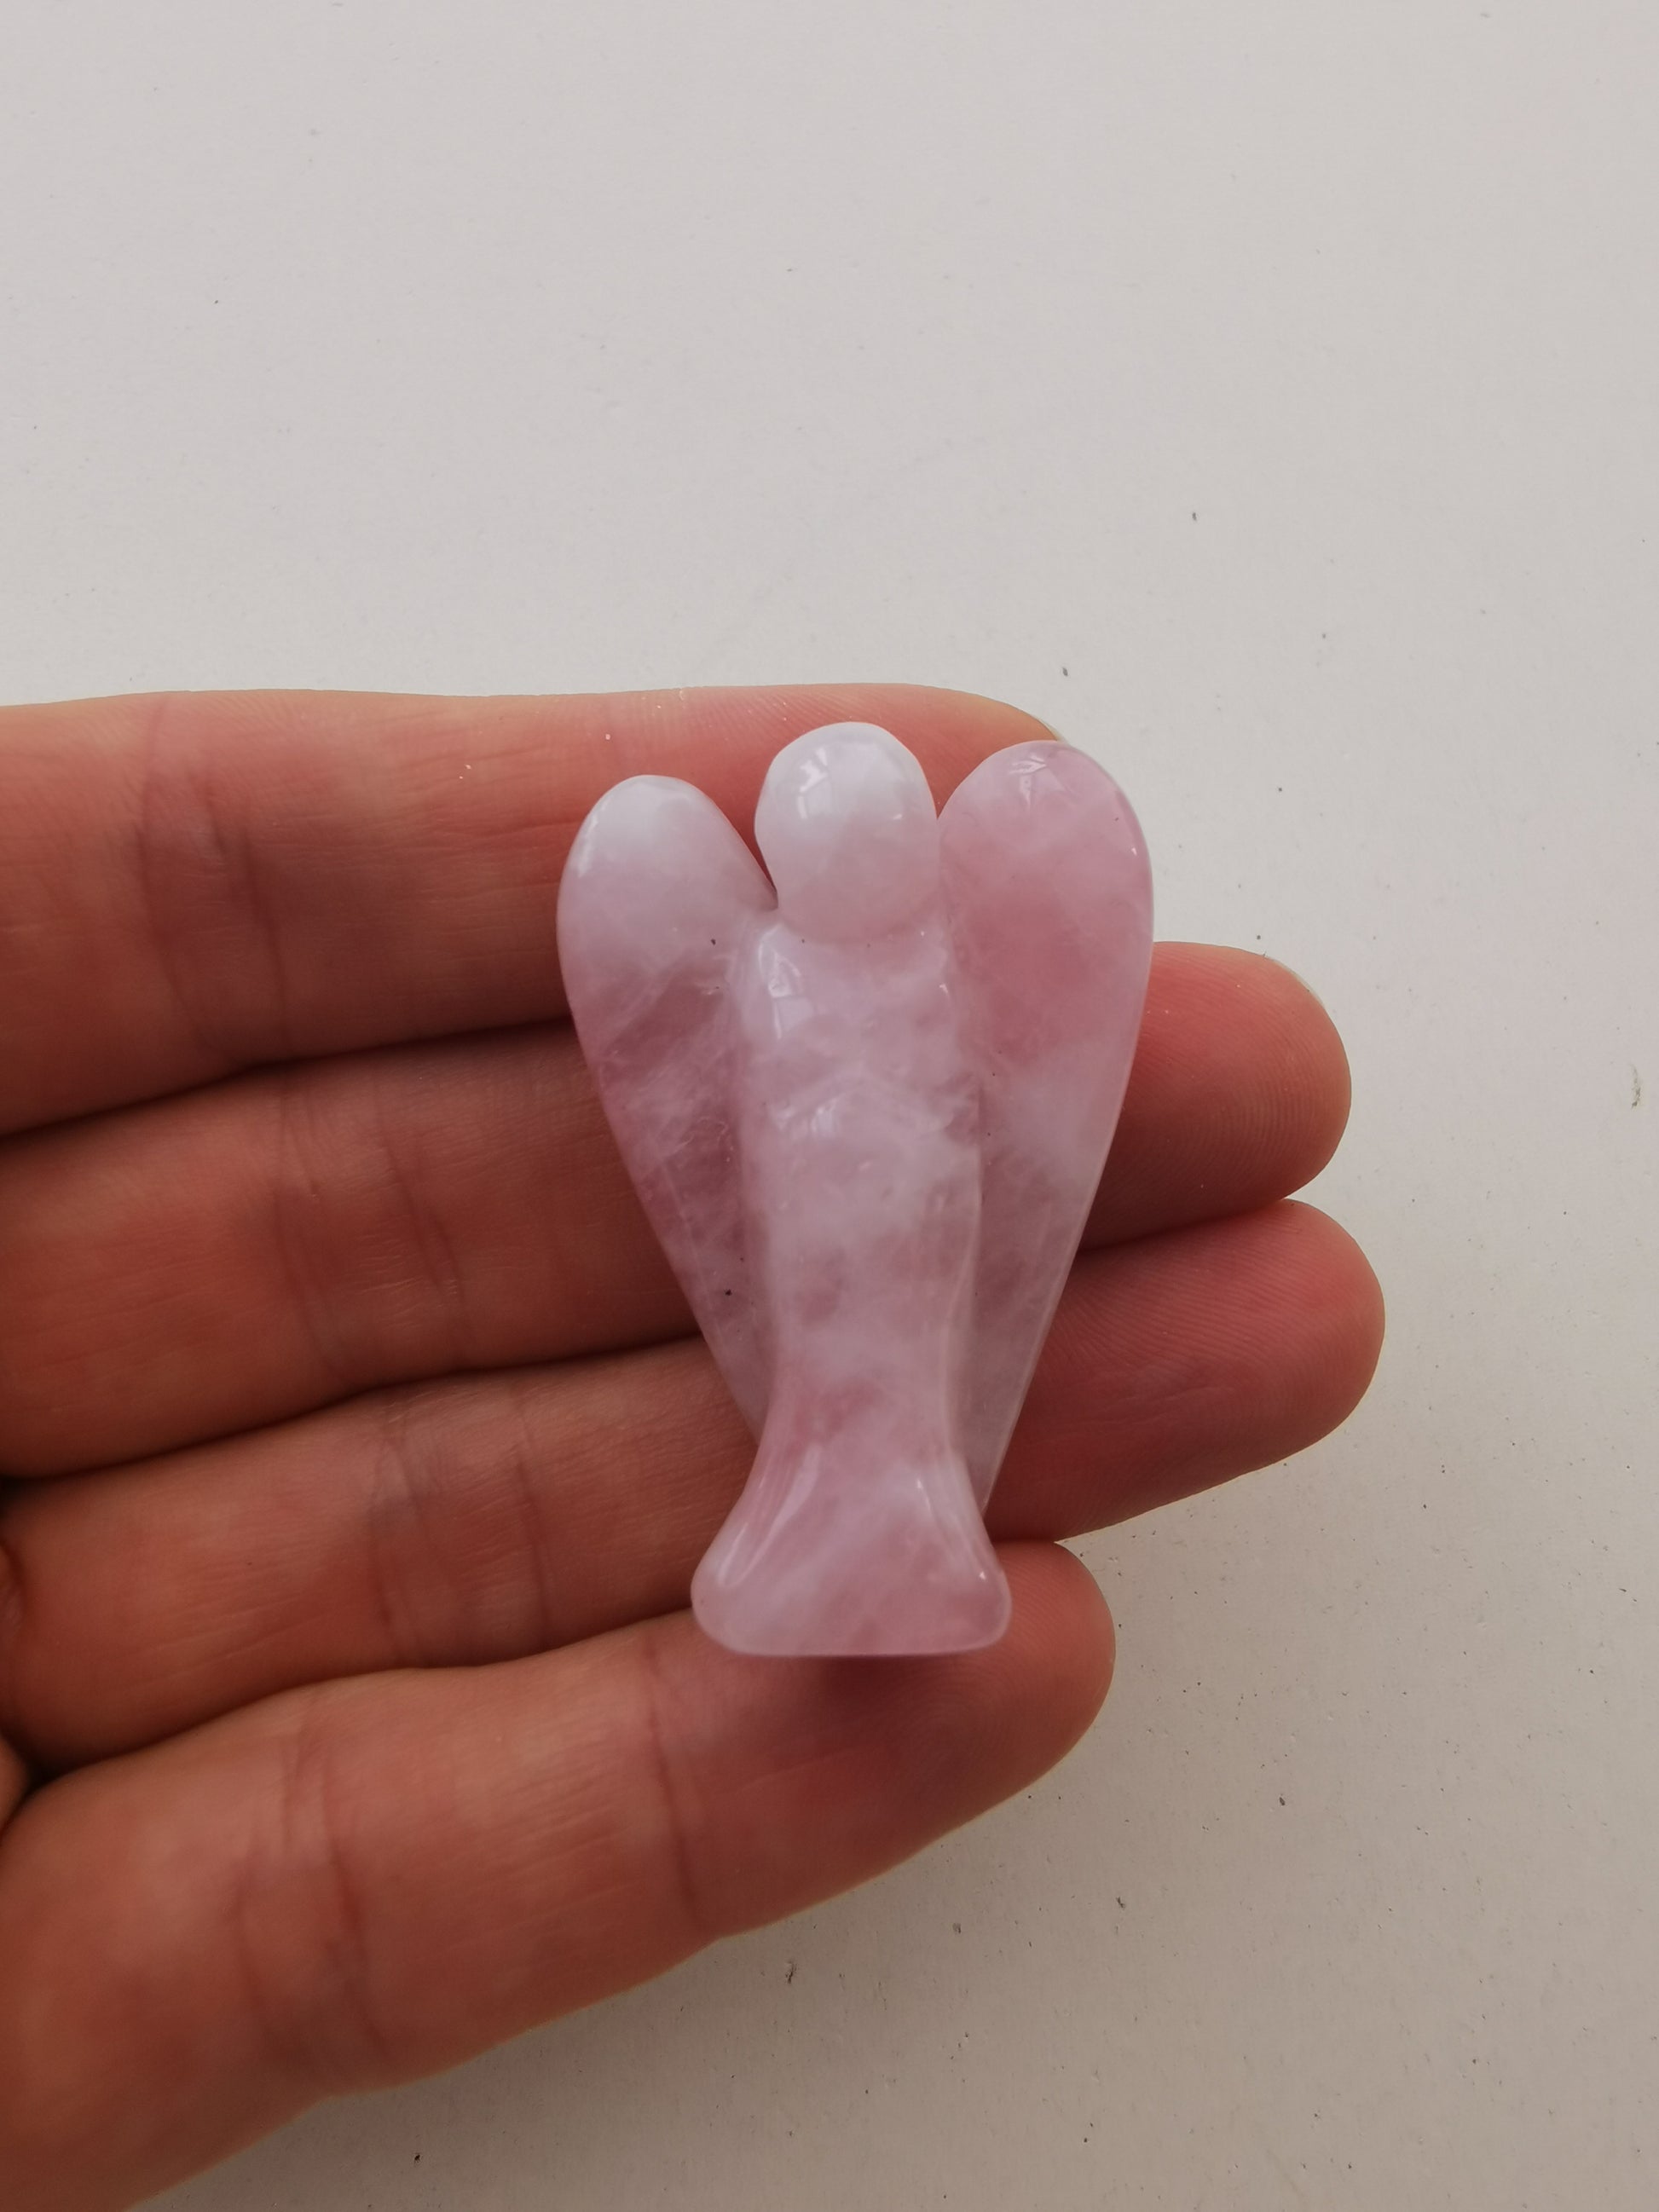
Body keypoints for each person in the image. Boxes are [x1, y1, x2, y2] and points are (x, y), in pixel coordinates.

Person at [0, 684, 1383, 2209]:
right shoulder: (772, 966)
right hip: (814, 1232)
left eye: (866, 835)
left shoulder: (933, 961)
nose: (846, 857)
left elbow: (955, 1113)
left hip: (914, 1230)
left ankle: (909, 1520)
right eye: (824, 835)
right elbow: (761, 1114)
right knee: (823, 1385)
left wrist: (891, 1145)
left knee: (900, 1379)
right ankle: (828, 1522)